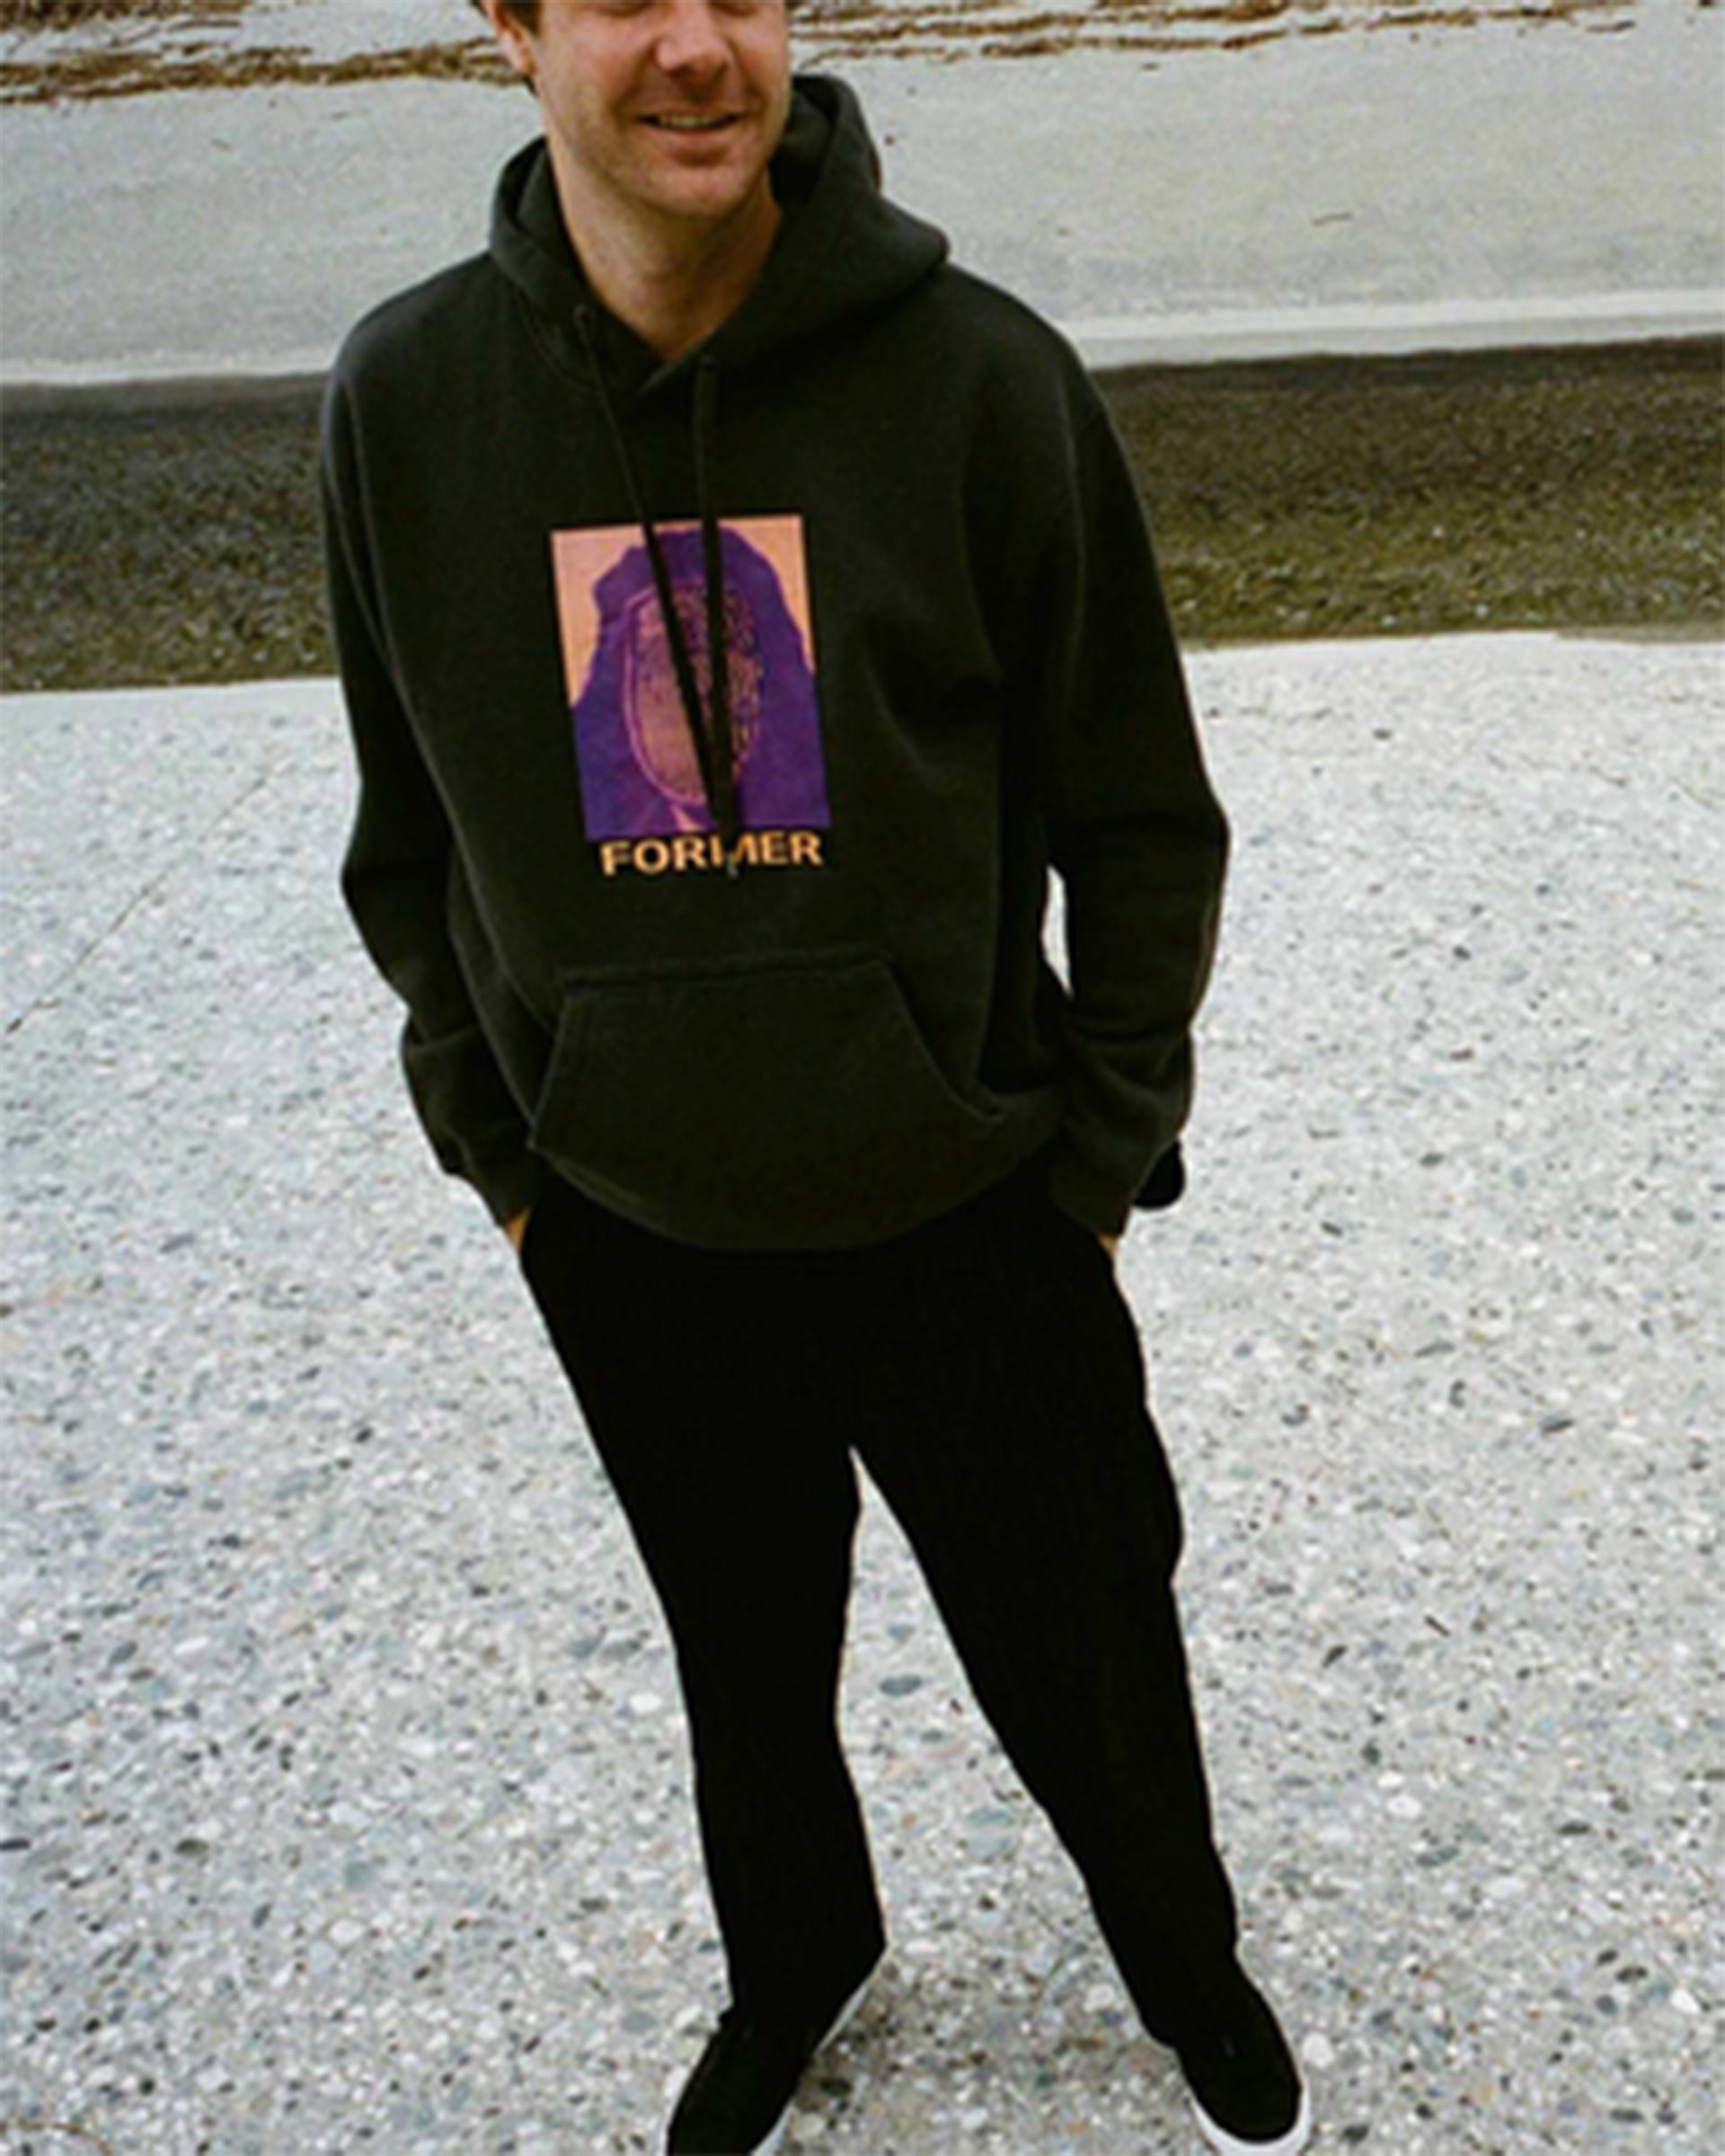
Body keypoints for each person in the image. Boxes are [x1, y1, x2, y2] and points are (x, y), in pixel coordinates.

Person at [321, 2, 1311, 2150]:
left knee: (1089, 1649)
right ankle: (800, 1966)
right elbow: (405, 837)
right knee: (746, 1667)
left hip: (973, 1206)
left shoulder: (980, 379)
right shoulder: (405, 403)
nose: (698, 46)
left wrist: (1095, 1153)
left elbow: (1143, 818)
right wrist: (507, 1158)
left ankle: (1181, 1959)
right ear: (510, 24)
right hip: (628, 1221)